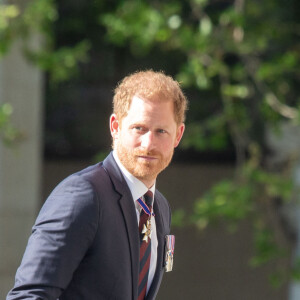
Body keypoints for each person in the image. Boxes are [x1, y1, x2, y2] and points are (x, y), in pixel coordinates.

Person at [7, 70, 187, 300]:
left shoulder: (159, 208)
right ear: (115, 127)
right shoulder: (82, 196)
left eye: (161, 131)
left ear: (178, 135)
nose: (148, 143)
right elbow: (30, 295)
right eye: (139, 128)